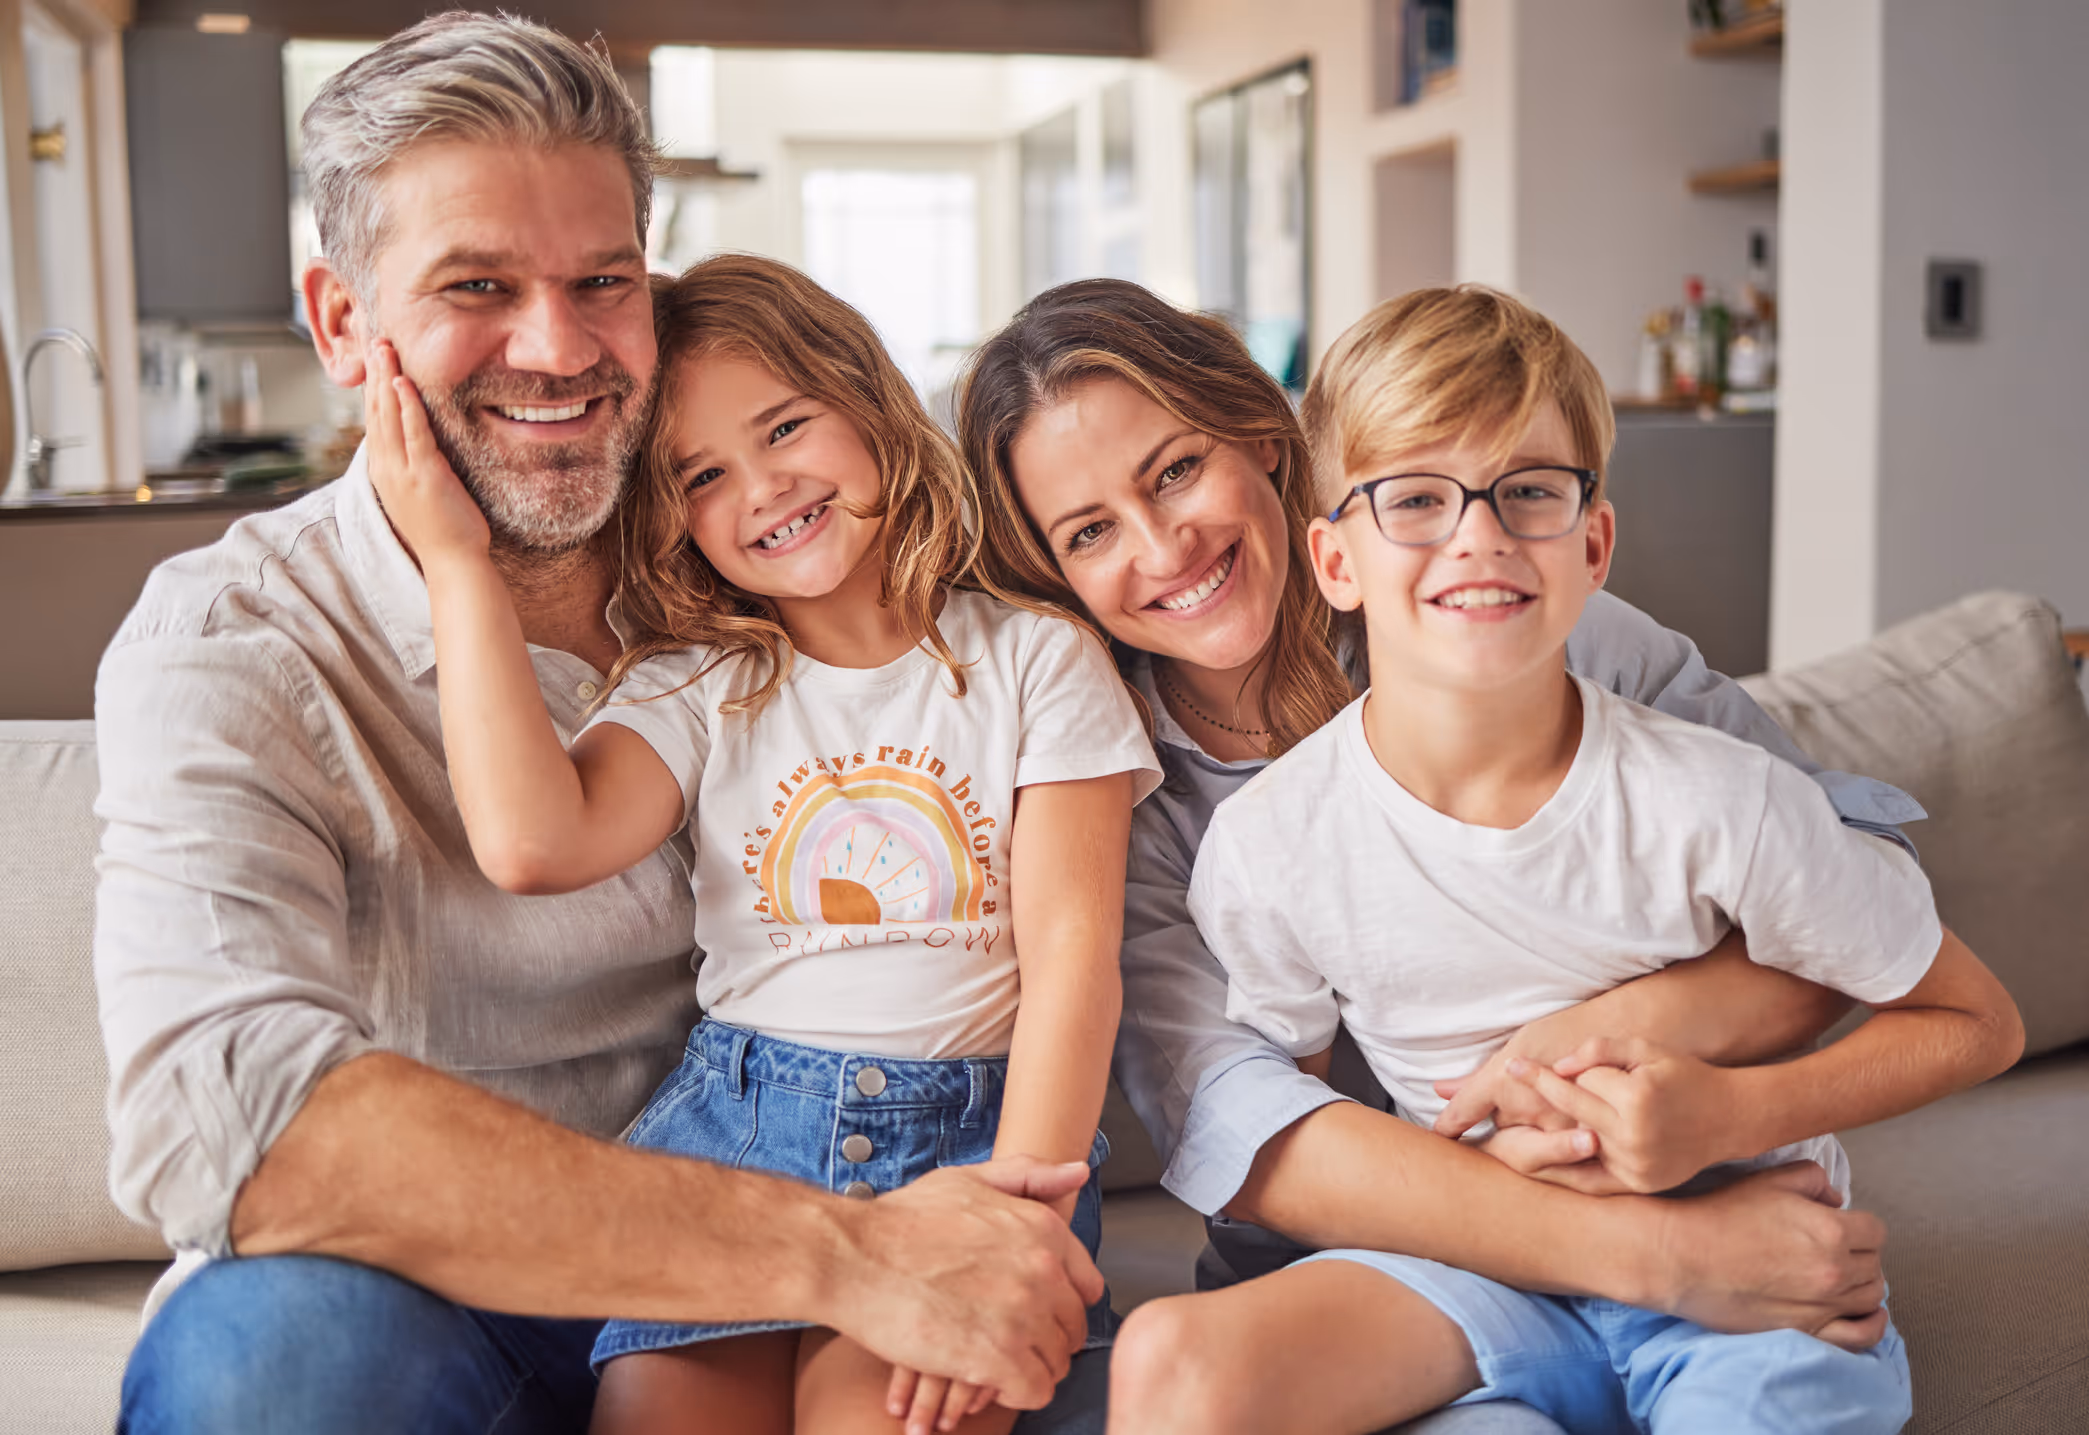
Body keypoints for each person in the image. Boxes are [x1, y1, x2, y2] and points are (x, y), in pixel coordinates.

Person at [97, 17, 1112, 1432]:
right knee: (272, 1357)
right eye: (477, 285)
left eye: (602, 282)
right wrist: (848, 1253)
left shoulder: (766, 586)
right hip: (456, 1281)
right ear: (345, 325)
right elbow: (231, 1110)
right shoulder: (233, 638)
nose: (556, 347)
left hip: (863, 1204)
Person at [956, 280, 1939, 1434]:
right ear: (1056, 575)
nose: (1163, 544)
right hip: (1381, 1277)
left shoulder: (1502, 614)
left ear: (1267, 444)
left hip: (1669, 1188)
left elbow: (1850, 898)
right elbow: (1250, 1127)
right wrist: (1659, 1251)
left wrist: (1578, 1049)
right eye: (1089, 532)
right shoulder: (1113, 795)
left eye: (1175, 470)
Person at [363, 251, 1158, 1435]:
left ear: (866, 398)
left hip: (970, 1155)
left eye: (786, 426)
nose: (763, 488)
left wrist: (1015, 1221)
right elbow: (533, 842)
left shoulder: (1034, 659)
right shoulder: (702, 685)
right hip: (734, 1138)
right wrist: (456, 559)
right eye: (702, 474)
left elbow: (1073, 965)